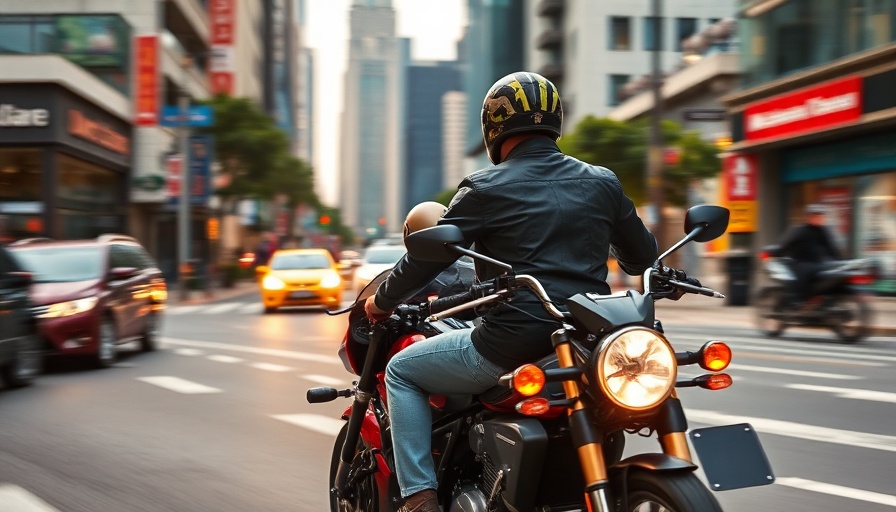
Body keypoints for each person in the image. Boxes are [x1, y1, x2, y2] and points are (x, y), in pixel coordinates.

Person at [364, 71, 658, 512]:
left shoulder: (483, 188)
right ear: (555, 119)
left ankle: (418, 497)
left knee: (403, 371)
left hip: (510, 344)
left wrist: (381, 300)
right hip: (587, 342)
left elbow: (428, 258)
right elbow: (641, 257)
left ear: (493, 128)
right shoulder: (602, 181)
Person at [776, 203, 842, 306]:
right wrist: (775, 253)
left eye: (821, 216)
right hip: (801, 262)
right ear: (809, 217)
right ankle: (798, 302)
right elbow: (786, 244)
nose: (819, 218)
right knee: (802, 273)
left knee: (828, 273)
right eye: (816, 216)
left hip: (817, 263)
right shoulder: (800, 230)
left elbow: (831, 248)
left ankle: (814, 301)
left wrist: (839, 262)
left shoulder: (823, 231)